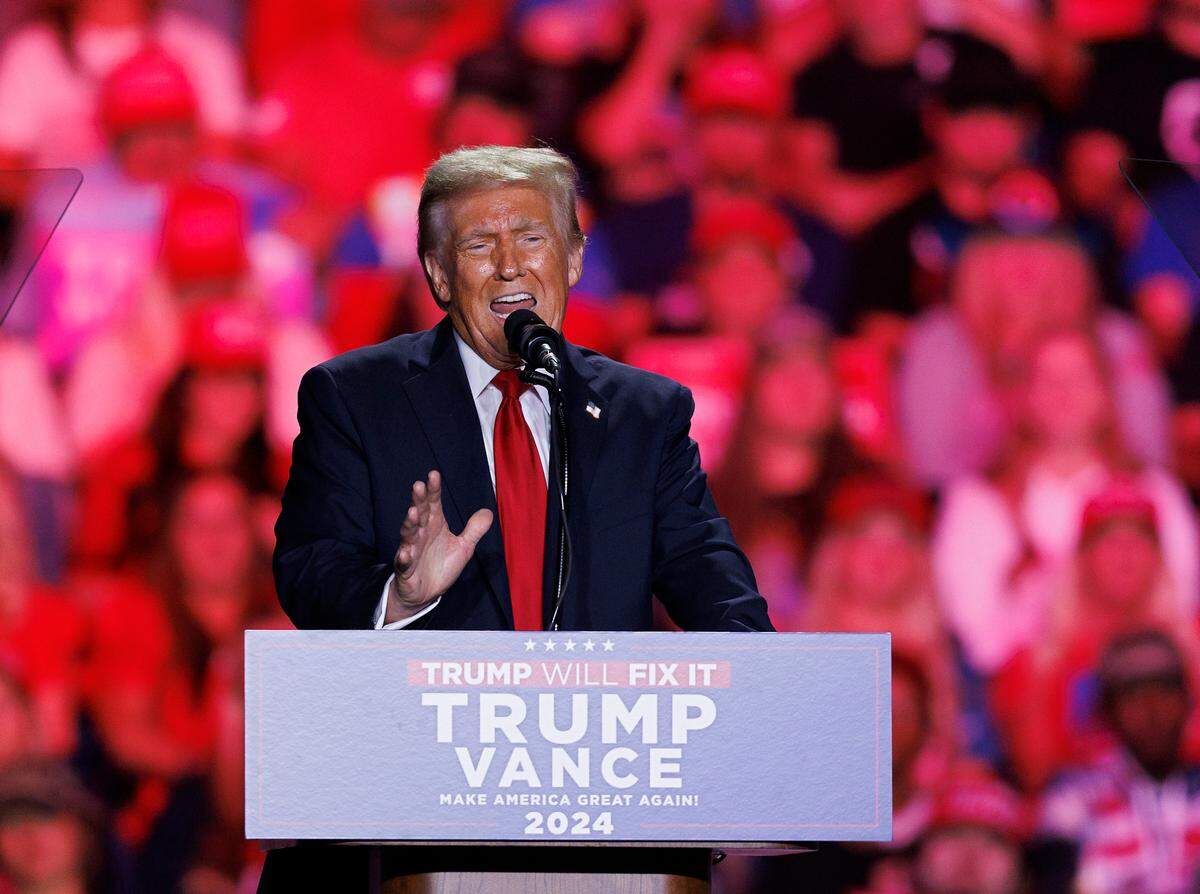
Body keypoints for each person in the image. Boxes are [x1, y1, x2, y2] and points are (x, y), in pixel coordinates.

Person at [267, 144, 772, 888]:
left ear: (570, 258)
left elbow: (710, 578)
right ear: (439, 275)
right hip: (416, 827)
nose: (510, 266)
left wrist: (761, 689)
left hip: (608, 826)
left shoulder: (642, 414)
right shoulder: (355, 399)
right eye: (479, 244)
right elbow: (311, 571)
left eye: (532, 238)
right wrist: (401, 597)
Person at [990, 485, 1199, 791]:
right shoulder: (1037, 662)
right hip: (1082, 819)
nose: (1125, 554)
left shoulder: (1192, 645)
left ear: (1159, 558)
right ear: (1082, 559)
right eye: (1109, 540)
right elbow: (1036, 777)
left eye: (1139, 540)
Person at [1035, 630, 1200, 894]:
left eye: (1165, 693)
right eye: (1133, 698)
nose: (1152, 711)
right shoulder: (1073, 796)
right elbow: (1053, 880)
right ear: (1108, 712)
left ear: (1186, 703)